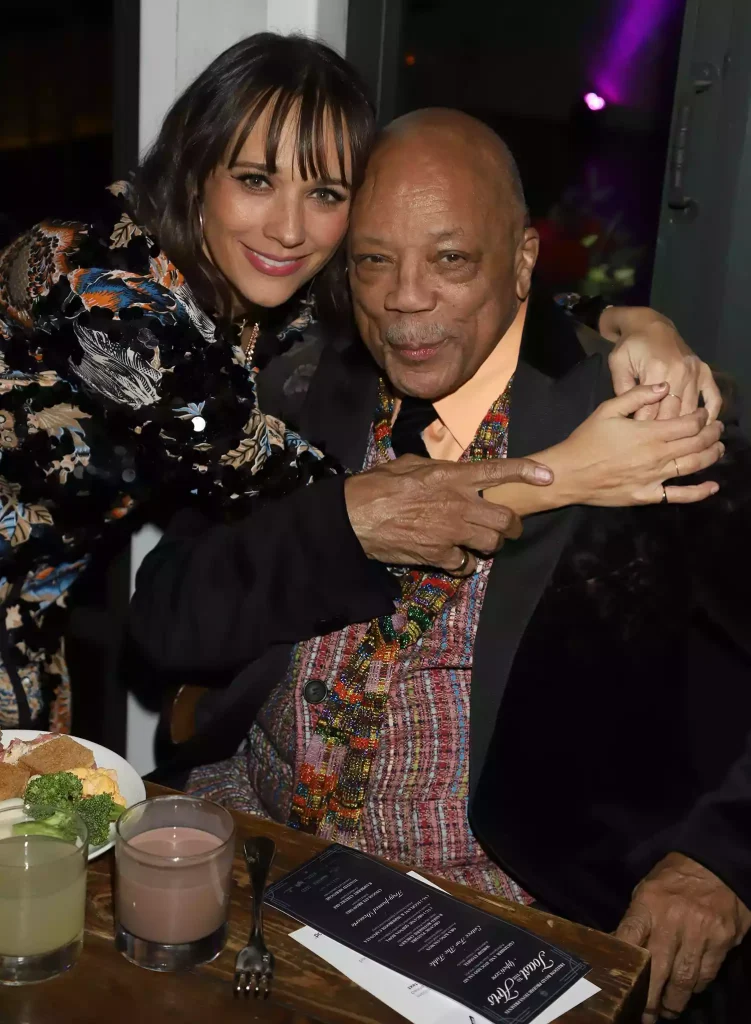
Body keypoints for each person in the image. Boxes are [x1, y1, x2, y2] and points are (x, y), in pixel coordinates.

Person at [135, 110, 749, 1024]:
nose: (403, 300)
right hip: (261, 846)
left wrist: (716, 861)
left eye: (451, 261)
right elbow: (167, 618)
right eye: (373, 262)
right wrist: (341, 525)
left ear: (522, 261)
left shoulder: (649, 421)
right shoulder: (297, 392)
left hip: (506, 909)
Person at [0, 31, 719, 735]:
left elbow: (475, 285)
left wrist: (624, 318)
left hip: (30, 617)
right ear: (196, 172)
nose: (288, 228)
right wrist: (566, 473)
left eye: (324, 192)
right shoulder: (91, 285)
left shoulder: (260, 294)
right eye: (255, 179)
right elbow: (309, 496)